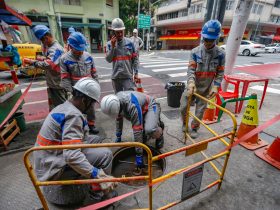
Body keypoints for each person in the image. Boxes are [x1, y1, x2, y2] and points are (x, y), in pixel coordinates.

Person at [33, 78, 117, 205]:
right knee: (105, 155)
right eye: (92, 103)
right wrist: (97, 174)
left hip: (47, 159)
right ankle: (98, 195)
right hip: (53, 168)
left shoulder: (64, 107)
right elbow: (71, 155)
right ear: (85, 100)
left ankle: (90, 179)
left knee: (98, 140)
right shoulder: (74, 116)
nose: (92, 107)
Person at [180, 20, 225, 139]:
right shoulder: (195, 52)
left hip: (206, 88)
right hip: (192, 86)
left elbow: (220, 72)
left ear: (216, 38)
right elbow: (191, 70)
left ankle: (195, 127)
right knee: (184, 106)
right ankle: (184, 123)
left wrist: (216, 86)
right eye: (206, 39)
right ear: (202, 37)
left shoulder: (221, 54)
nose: (208, 42)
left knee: (200, 110)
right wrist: (190, 83)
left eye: (211, 40)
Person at [100, 91, 164, 173]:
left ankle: (160, 132)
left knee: (150, 130)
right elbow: (118, 119)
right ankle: (150, 123)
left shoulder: (132, 105)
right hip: (141, 109)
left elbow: (137, 130)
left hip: (150, 106)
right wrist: (118, 136)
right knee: (142, 139)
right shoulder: (115, 101)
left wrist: (139, 155)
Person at [60, 32, 99, 134]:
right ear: (70, 47)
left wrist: (96, 86)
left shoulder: (88, 57)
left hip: (89, 89)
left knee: (90, 108)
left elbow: (94, 73)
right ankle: (79, 127)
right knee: (76, 111)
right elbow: (65, 78)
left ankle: (91, 125)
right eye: (78, 50)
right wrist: (70, 92)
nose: (81, 52)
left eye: (82, 49)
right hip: (75, 90)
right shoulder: (64, 59)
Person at [32, 25, 67, 110]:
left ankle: (66, 120)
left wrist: (34, 63)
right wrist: (42, 59)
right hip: (54, 81)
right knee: (57, 104)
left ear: (46, 38)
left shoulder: (56, 49)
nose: (42, 43)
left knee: (62, 106)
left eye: (42, 40)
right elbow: (50, 60)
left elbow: (49, 64)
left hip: (57, 83)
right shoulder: (50, 47)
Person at [105, 18, 138, 93]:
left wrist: (136, 74)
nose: (120, 34)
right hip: (116, 78)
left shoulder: (130, 43)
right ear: (113, 32)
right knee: (119, 100)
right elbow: (108, 60)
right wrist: (113, 47)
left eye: (121, 32)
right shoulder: (109, 44)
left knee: (130, 98)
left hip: (127, 77)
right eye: (117, 32)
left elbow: (135, 59)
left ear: (123, 31)